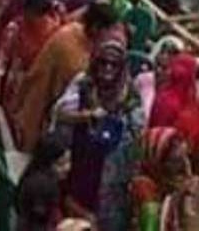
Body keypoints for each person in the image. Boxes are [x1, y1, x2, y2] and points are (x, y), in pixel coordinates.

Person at [55, 26, 144, 231]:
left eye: (114, 65)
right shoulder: (84, 84)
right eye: (103, 63)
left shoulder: (130, 94)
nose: (107, 69)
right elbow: (59, 113)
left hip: (113, 172)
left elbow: (138, 131)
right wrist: (87, 116)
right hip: (82, 163)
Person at [14, 2, 119, 151]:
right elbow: (65, 102)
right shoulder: (73, 54)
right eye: (109, 30)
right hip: (43, 119)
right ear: (96, 28)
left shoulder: (76, 33)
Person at [130, 127, 192, 229]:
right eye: (175, 160)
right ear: (157, 158)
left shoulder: (169, 182)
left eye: (185, 157)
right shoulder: (145, 190)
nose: (184, 166)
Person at [16, 133, 73, 231]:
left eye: (69, 161)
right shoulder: (41, 186)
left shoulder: (47, 181)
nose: (68, 168)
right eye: (61, 164)